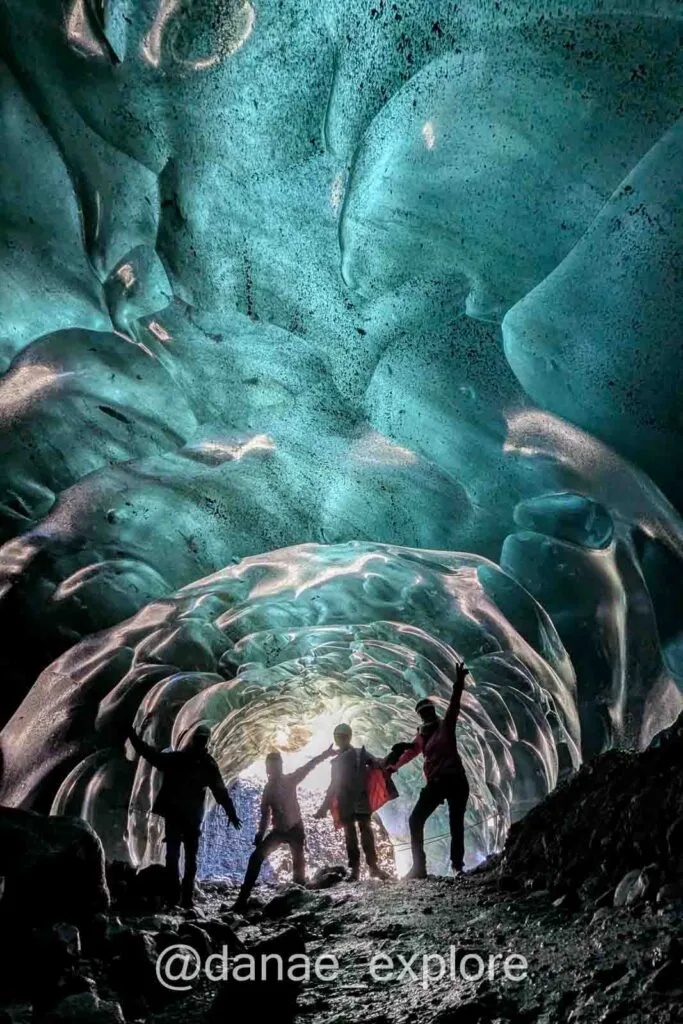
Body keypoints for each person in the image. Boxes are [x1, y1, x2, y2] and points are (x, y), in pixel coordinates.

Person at [127, 721, 242, 907]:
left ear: (194, 740)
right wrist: (232, 814)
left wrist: (133, 737)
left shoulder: (179, 759)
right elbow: (220, 792)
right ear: (206, 743)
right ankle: (185, 899)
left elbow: (152, 755)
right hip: (191, 818)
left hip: (175, 815)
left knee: (173, 857)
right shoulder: (208, 764)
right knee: (190, 858)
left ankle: (174, 897)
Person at [387, 662, 470, 879]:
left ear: (433, 712)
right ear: (421, 717)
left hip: (455, 781)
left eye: (428, 711)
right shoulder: (423, 736)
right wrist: (393, 767)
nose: (426, 715)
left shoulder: (445, 725)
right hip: (437, 783)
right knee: (416, 820)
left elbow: (454, 705)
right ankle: (419, 867)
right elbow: (411, 752)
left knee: (456, 823)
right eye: (423, 714)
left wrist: (459, 684)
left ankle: (457, 866)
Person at [232, 745, 335, 912]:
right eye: (270, 767)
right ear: (268, 769)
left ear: (280, 767)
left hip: (296, 830)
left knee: (298, 872)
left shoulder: (291, 779)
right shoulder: (268, 790)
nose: (273, 770)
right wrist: (260, 833)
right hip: (278, 831)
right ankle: (242, 899)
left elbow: (310, 765)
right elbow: (265, 815)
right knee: (256, 858)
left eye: (276, 766)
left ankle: (299, 901)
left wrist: (326, 753)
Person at [314, 724, 392, 881]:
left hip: (358, 799)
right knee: (351, 835)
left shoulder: (359, 753)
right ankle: (356, 870)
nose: (340, 739)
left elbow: (377, 764)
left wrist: (392, 758)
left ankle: (373, 867)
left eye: (342, 736)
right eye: (338, 737)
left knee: (365, 832)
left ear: (348, 737)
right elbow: (333, 786)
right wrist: (323, 807)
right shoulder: (339, 760)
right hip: (346, 802)